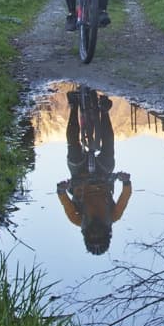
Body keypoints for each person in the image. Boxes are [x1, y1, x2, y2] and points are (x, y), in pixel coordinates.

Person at [56, 87, 132, 255]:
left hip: (79, 177)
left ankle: (74, 105)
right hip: (103, 176)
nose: (95, 233)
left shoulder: (77, 220)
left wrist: (62, 190)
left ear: (86, 235)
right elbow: (124, 199)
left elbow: (66, 204)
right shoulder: (113, 216)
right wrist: (125, 182)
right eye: (100, 236)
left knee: (73, 149)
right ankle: (104, 110)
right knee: (109, 147)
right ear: (106, 234)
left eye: (92, 236)